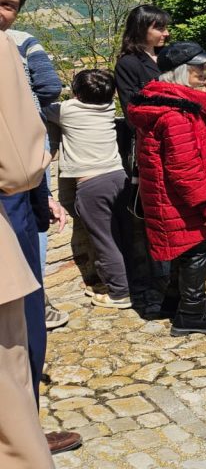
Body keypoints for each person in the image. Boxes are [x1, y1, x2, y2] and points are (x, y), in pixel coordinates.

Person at [129, 42, 206, 335]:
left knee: (186, 247)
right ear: (181, 72)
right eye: (199, 67)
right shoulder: (175, 114)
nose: (205, 72)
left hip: (174, 198)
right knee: (196, 249)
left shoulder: (169, 104)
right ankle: (190, 314)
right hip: (183, 200)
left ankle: (174, 301)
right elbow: (184, 168)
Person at [0, 27, 72, 465]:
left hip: (19, 199)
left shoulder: (14, 42)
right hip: (11, 204)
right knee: (19, 332)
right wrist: (36, 183)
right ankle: (26, 436)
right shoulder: (10, 45)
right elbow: (46, 91)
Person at [0, 0, 65, 331]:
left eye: (8, 5)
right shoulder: (18, 42)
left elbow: (48, 86)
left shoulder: (17, 43)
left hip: (20, 177)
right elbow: (51, 88)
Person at [44, 70, 133, 308]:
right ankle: (129, 282)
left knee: (105, 240)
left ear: (76, 93)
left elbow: (39, 108)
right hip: (118, 177)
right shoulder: (108, 109)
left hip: (92, 184)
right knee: (122, 234)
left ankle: (120, 293)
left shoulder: (67, 110)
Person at [114, 3, 172, 318]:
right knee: (153, 223)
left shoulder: (167, 57)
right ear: (141, 29)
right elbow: (133, 110)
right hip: (151, 150)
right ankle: (154, 296)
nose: (166, 33)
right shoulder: (129, 64)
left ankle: (175, 288)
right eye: (159, 27)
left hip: (176, 146)